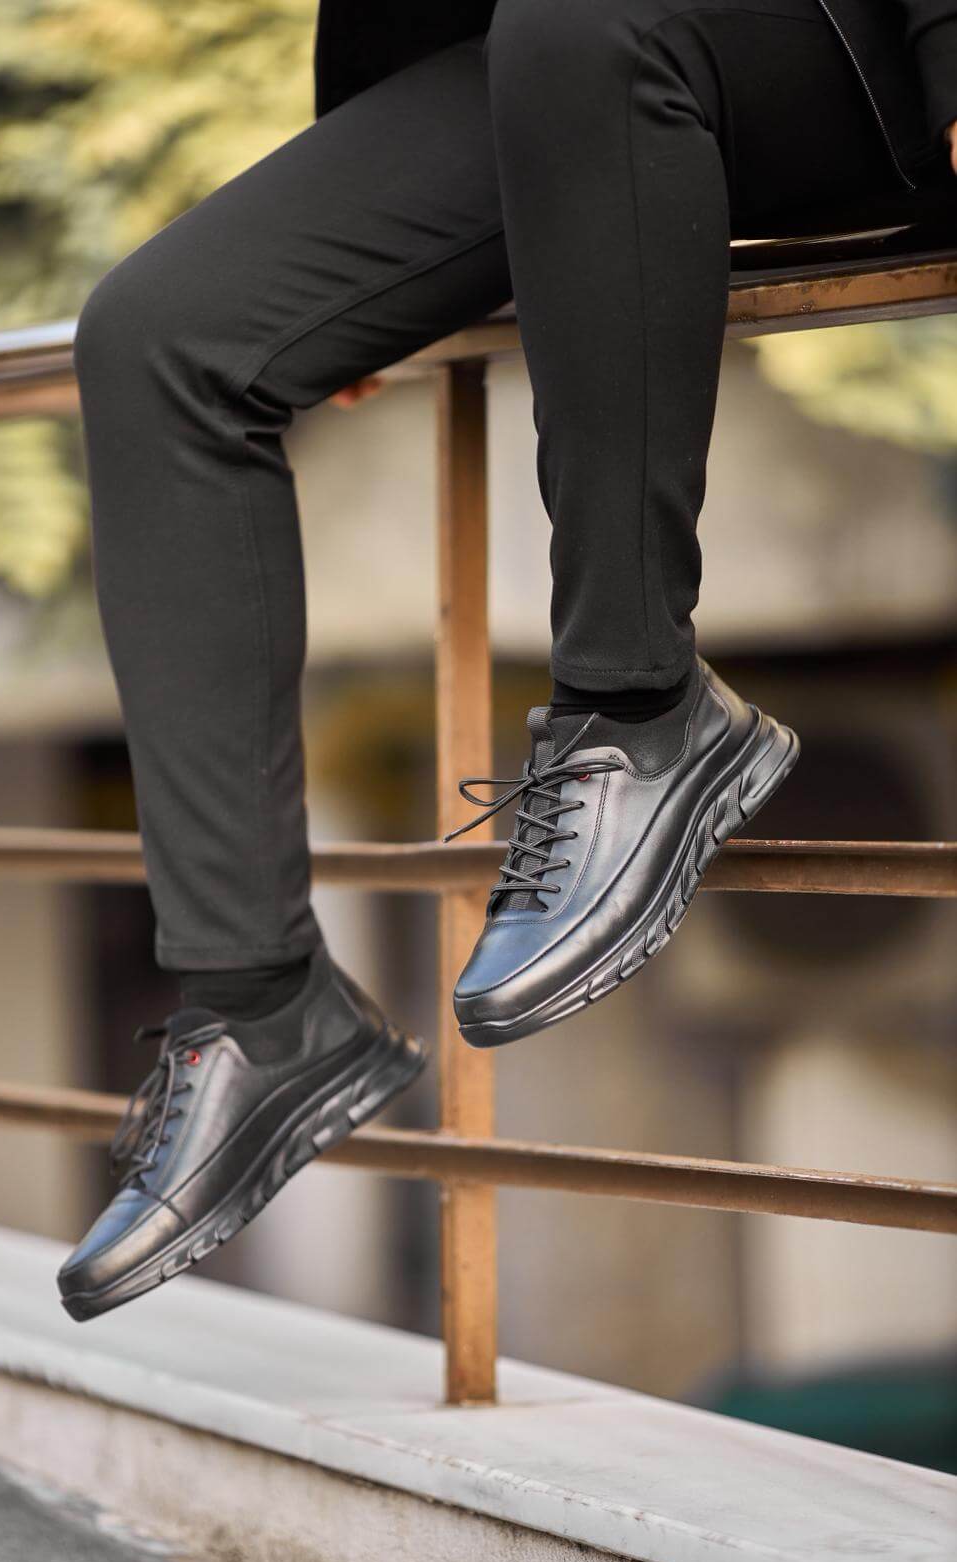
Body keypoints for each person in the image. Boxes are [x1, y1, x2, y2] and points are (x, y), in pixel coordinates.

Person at [57, 0, 957, 1320]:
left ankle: (637, 705)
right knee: (160, 334)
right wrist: (359, 287)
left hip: (836, 37)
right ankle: (259, 1006)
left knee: (581, 19)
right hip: (550, 59)